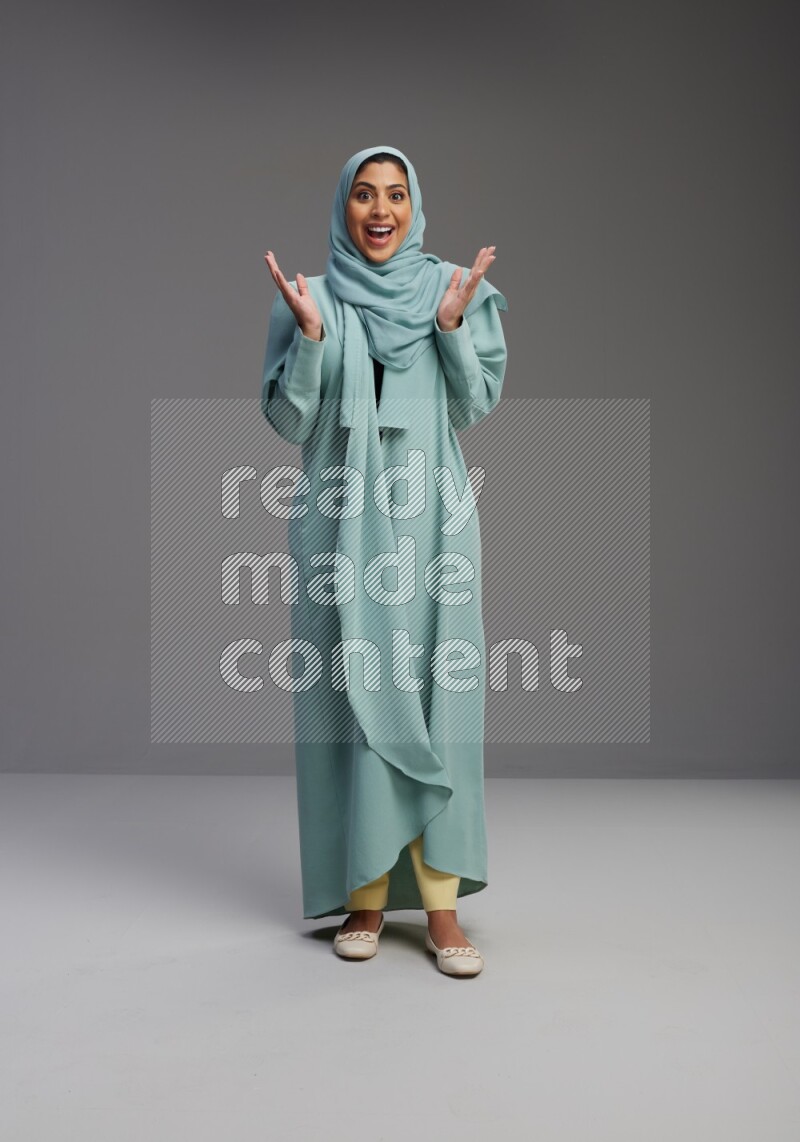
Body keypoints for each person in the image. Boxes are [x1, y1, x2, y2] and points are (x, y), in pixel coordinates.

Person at [260, 145, 508, 977]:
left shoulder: (450, 290)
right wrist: (308, 340)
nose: (379, 210)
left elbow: (473, 405)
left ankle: (440, 911)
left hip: (435, 525)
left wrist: (449, 328)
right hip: (342, 530)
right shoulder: (313, 298)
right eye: (364, 194)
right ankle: (365, 896)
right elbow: (292, 429)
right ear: (343, 206)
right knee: (357, 701)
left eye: (395, 195)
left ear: (414, 205)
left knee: (439, 701)